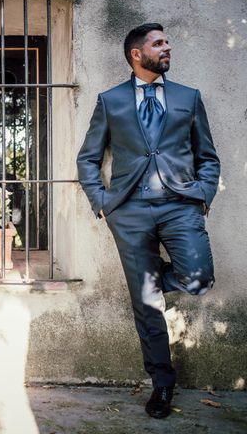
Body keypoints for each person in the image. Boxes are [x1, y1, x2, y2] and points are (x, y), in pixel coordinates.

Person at [76, 23, 220, 419]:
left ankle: (152, 279)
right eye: (159, 43)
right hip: (129, 210)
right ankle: (162, 383)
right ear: (137, 54)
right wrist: (102, 203)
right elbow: (88, 159)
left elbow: (207, 154)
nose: (168, 47)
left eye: (167, 41)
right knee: (147, 304)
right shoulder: (111, 100)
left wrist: (204, 195)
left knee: (198, 278)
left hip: (180, 205)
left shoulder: (189, 98)